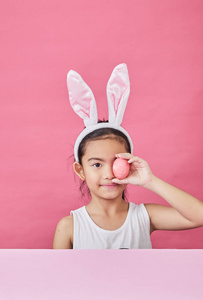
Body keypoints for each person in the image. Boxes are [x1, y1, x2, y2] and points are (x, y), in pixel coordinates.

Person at [53, 64, 203, 249]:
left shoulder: (144, 217)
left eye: (117, 161)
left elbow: (199, 216)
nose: (109, 173)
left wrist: (150, 181)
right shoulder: (69, 227)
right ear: (80, 170)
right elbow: (60, 277)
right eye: (97, 165)